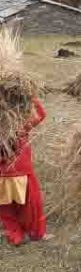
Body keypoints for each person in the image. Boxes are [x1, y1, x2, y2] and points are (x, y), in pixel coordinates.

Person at [0, 97, 47, 246]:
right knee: (31, 204)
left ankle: (15, 236)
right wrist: (31, 97)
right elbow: (41, 114)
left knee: (6, 209)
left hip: (2, 175)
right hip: (22, 173)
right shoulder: (21, 126)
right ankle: (35, 233)